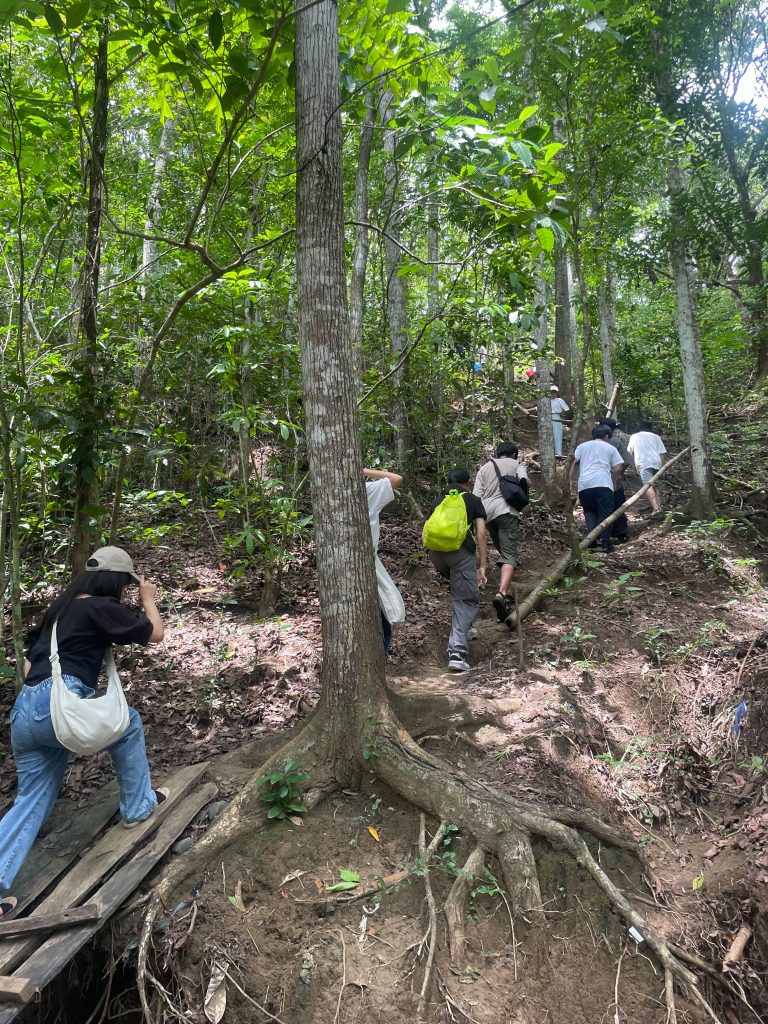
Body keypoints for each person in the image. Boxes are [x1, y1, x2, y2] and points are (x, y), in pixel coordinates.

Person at [0, 547, 166, 919]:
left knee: (31, 799)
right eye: (126, 584)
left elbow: (28, 668)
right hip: (55, 706)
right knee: (128, 724)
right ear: (117, 581)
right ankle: (139, 806)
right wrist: (148, 599)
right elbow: (155, 634)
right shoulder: (98, 607)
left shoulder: (59, 611)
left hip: (25, 711)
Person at [426, 468, 487, 673]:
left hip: (436, 553)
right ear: (468, 482)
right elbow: (480, 535)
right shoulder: (472, 500)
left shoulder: (438, 500)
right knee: (466, 599)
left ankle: (467, 629)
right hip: (460, 553)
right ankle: (457, 654)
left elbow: (425, 529)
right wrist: (483, 565)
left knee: (459, 590)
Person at [473, 441, 529, 623]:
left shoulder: (484, 468)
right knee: (509, 554)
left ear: (498, 453)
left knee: (504, 551)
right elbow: (524, 481)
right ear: (514, 454)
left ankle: (507, 589)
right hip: (506, 511)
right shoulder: (517, 464)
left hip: (487, 515)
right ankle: (501, 594)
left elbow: (476, 496)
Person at [364, 468, 404, 653]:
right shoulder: (366, 490)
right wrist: (365, 471)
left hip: (364, 561)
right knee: (383, 613)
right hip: (366, 561)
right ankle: (379, 657)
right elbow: (396, 479)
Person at [571, 426, 624, 554]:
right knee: (605, 513)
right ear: (606, 436)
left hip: (585, 484)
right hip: (603, 483)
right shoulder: (610, 448)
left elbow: (572, 463)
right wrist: (612, 480)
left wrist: (569, 481)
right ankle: (605, 543)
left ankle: (591, 541)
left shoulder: (582, 446)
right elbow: (618, 468)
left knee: (589, 511)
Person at [599, 419, 635, 544]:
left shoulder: (589, 444)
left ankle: (601, 535)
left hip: (596, 482)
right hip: (614, 481)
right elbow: (627, 460)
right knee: (618, 506)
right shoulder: (616, 442)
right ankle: (620, 533)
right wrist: (621, 472)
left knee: (601, 508)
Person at [628, 421, 667, 514]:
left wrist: (633, 466)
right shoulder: (656, 437)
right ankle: (659, 507)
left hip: (643, 463)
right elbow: (661, 454)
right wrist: (662, 468)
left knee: (647, 485)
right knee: (655, 485)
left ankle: (656, 509)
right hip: (657, 463)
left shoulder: (634, 436)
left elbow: (630, 453)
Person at [550, 385, 570, 457]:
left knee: (557, 434)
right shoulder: (546, 400)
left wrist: (561, 415)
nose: (553, 393)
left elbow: (566, 409)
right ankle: (550, 451)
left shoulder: (559, 400)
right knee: (549, 433)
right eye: (551, 392)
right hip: (547, 417)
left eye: (554, 392)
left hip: (556, 417)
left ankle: (558, 452)